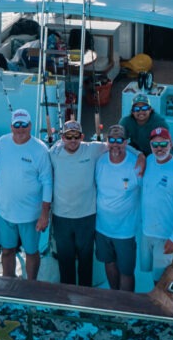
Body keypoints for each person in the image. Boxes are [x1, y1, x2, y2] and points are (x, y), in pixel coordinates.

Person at [50, 121, 145, 287]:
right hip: (61, 216)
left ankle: (87, 299)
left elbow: (119, 145)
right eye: (68, 136)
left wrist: (140, 154)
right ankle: (66, 299)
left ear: (82, 137)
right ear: (62, 137)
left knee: (86, 261)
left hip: (87, 217)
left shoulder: (93, 149)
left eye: (76, 136)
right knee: (65, 261)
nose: (72, 140)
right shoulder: (53, 152)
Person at [123, 93, 173, 241]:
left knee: (172, 187)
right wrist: (139, 155)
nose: (141, 112)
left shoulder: (160, 122)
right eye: (137, 109)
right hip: (138, 155)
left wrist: (155, 164)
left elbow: (165, 148)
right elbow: (121, 142)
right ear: (132, 111)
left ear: (150, 109)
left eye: (144, 107)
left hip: (158, 154)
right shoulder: (126, 122)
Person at [0, 108, 52, 280]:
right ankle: (8, 283)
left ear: (30, 125)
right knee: (7, 251)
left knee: (32, 252)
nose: (20, 129)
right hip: (5, 212)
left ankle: (31, 285)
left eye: (24, 125)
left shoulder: (40, 149)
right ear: (11, 126)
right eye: (17, 125)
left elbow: (47, 182)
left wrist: (44, 214)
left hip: (30, 215)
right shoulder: (2, 142)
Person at [140, 127, 173, 284]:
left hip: (166, 237)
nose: (159, 148)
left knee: (161, 281)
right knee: (149, 274)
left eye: (163, 144)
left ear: (171, 144)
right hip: (146, 234)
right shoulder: (149, 160)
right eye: (155, 145)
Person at [94, 125, 142, 292]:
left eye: (119, 141)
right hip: (102, 228)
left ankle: (126, 305)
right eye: (112, 140)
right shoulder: (100, 161)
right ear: (107, 142)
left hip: (125, 231)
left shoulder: (136, 164)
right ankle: (114, 298)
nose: (115, 145)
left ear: (126, 142)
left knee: (127, 272)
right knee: (109, 262)